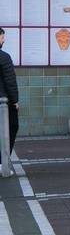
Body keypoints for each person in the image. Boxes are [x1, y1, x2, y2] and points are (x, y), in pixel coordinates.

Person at [0, 28, 18, 157]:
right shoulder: (4, 57)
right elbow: (10, 81)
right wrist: (15, 101)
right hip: (3, 102)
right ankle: (2, 162)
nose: (3, 40)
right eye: (1, 37)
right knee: (11, 127)